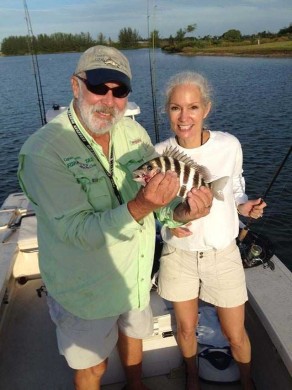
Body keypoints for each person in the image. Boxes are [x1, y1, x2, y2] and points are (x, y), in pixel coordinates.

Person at [17, 47, 213, 390]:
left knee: (134, 337)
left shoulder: (135, 136)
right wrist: (140, 206)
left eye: (120, 90)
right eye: (98, 86)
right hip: (84, 290)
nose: (109, 100)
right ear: (76, 86)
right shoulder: (43, 152)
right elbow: (77, 230)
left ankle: (135, 384)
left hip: (134, 278)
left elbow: (164, 206)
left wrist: (183, 212)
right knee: (93, 367)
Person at [155, 71, 267, 390]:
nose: (184, 116)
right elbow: (156, 209)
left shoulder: (229, 145)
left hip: (222, 252)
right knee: (187, 329)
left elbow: (235, 188)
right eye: (176, 108)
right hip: (180, 254)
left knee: (235, 333)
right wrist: (173, 222)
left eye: (192, 107)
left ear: (206, 109)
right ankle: (192, 376)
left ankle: (247, 382)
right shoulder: (159, 153)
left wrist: (244, 206)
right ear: (168, 111)